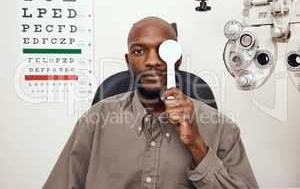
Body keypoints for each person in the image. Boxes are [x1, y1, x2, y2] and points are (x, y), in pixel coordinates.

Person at [43, 16, 258, 189]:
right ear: (128, 61)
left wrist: (196, 144)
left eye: (162, 50)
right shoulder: (95, 121)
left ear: (178, 60)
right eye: (139, 51)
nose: (152, 60)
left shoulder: (222, 129)